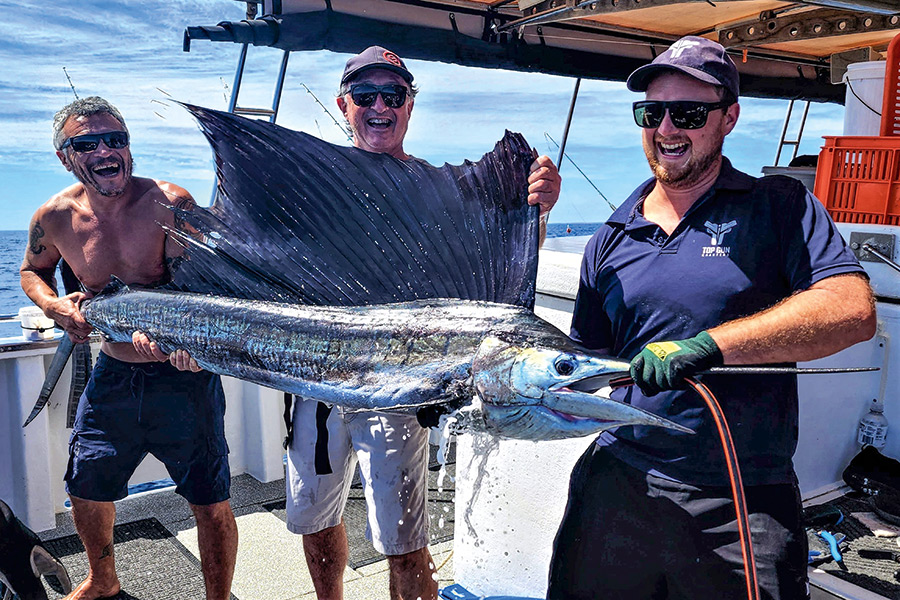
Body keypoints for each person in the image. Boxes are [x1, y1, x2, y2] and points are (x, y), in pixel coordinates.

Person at [547, 36, 876, 599]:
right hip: (618, 480)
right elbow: (586, 364)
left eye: (689, 113)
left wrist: (709, 346)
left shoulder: (778, 207)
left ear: (729, 118)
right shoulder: (610, 236)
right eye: (652, 113)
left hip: (740, 495)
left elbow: (851, 309)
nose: (668, 128)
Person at [281, 46, 561, 600]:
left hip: (398, 384)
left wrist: (537, 210)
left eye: (393, 95)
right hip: (314, 380)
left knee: (404, 541)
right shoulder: (315, 192)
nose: (379, 105)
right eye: (366, 96)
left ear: (410, 106)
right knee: (314, 521)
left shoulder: (441, 194)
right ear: (344, 104)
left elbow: (495, 270)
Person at [19, 96, 238, 600]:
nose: (105, 150)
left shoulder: (169, 203)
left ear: (128, 146)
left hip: (184, 375)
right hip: (113, 373)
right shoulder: (53, 217)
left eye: (115, 139)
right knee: (86, 485)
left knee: (209, 498)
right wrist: (54, 307)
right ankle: (102, 581)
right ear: (65, 156)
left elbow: (205, 288)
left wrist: (173, 334)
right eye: (87, 143)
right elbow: (33, 270)